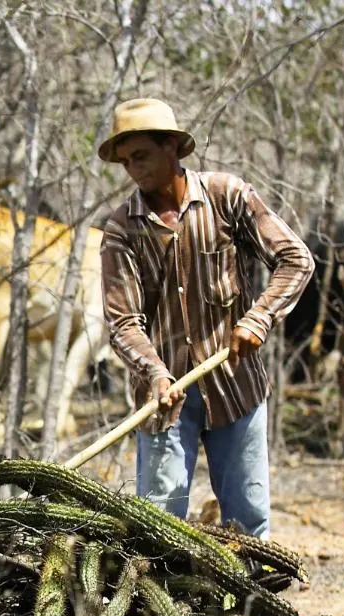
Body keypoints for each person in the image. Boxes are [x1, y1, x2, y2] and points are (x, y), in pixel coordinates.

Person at [97, 98, 314, 539]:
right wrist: (155, 373)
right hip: (165, 398)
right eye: (125, 162)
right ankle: (167, 607)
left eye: (141, 155)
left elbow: (297, 259)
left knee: (248, 522)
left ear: (172, 147)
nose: (133, 170)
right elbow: (122, 321)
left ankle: (255, 605)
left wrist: (258, 319)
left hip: (236, 386)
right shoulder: (122, 230)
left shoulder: (226, 196)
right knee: (158, 530)